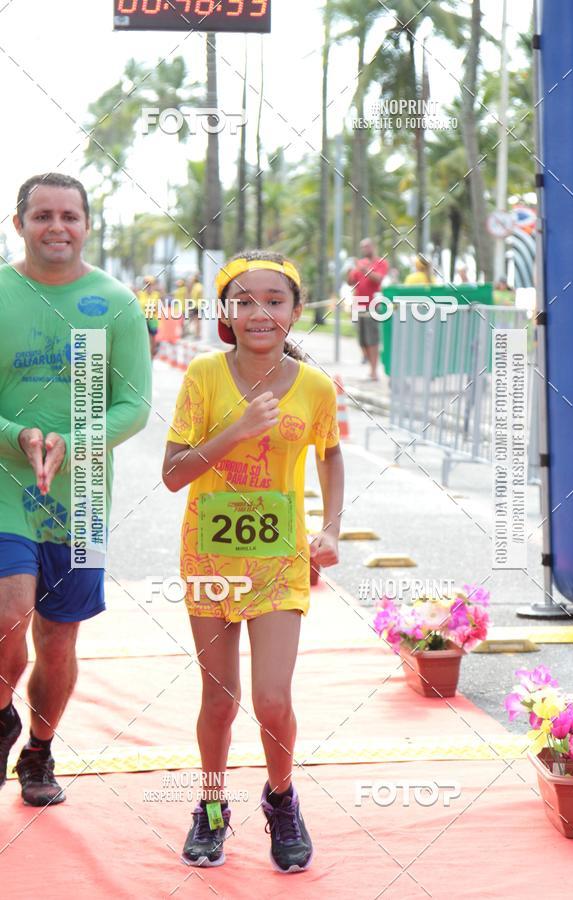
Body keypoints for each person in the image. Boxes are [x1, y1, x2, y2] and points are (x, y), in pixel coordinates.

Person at [162, 249, 344, 872]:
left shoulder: (315, 385)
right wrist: (235, 431)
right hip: (210, 558)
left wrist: (332, 526)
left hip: (279, 560)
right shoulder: (204, 377)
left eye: (275, 299)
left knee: (271, 697)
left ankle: (281, 797)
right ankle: (211, 806)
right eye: (244, 301)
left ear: (296, 310)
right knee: (219, 698)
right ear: (226, 313)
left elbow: (331, 452)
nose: (259, 312)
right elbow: (171, 474)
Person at [0, 173, 152, 806]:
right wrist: (20, 437)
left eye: (69, 215)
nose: (56, 226)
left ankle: (38, 750)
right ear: (19, 224)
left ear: (87, 226)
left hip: (83, 493)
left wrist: (76, 442)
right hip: (6, 484)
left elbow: (134, 404)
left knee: (58, 637)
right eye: (42, 216)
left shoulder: (114, 301)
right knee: (9, 617)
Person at [347, 238, 388, 381]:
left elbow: (379, 279)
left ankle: (374, 371)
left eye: (367, 246)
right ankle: (371, 367)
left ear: (373, 247)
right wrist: (349, 270)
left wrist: (366, 270)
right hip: (359, 303)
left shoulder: (380, 263)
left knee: (372, 339)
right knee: (362, 340)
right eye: (362, 247)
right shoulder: (360, 263)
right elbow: (351, 281)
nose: (365, 249)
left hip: (373, 305)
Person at [137, 274, 161, 357]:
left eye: (150, 284)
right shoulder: (140, 294)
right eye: (146, 283)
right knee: (143, 340)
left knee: (152, 340)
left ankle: (151, 358)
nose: (148, 286)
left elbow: (157, 307)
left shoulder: (157, 295)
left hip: (152, 320)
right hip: (142, 320)